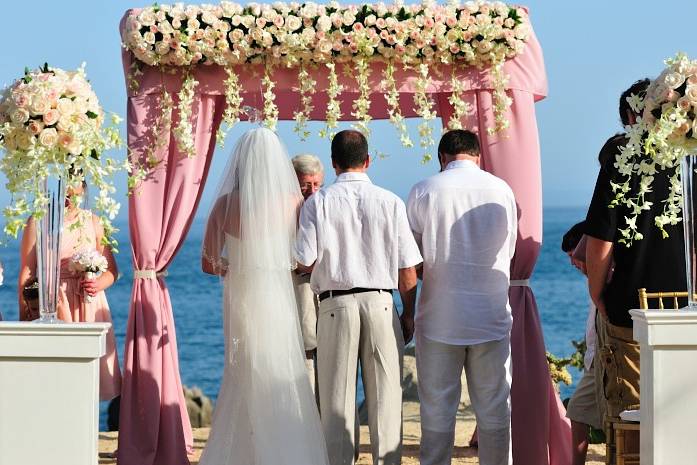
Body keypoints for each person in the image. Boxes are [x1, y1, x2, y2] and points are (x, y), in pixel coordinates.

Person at [200, 128, 329, 465]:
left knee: (242, 373)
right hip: (278, 299)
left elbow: (208, 262)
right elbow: (303, 257)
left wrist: (237, 266)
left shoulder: (225, 205)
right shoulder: (294, 203)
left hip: (241, 299)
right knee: (283, 371)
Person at [295, 129, 422, 465]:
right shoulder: (391, 201)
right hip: (381, 303)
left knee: (337, 402)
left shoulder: (317, 203)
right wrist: (408, 314)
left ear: (334, 163)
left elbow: (305, 260)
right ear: (368, 161)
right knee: (386, 399)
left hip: (336, 306)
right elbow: (408, 269)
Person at [407, 129, 517, 465]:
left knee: (437, 409)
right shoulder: (502, 190)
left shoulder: (424, 190)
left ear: (442, 158)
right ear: (478, 155)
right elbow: (507, 251)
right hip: (491, 313)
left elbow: (412, 259)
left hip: (441, 315)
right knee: (495, 410)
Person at [585, 79, 687, 424]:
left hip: (630, 303)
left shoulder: (620, 155)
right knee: (681, 418)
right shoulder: (689, 157)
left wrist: (597, 292)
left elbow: (601, 239)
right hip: (687, 310)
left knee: (629, 418)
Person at [17, 181, 121, 401]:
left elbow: (112, 271)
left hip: (88, 304)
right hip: (52, 302)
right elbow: (27, 272)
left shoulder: (94, 222)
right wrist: (25, 314)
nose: (69, 198)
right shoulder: (38, 221)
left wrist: (97, 283)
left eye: (74, 193)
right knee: (52, 376)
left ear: (83, 188)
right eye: (65, 193)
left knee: (89, 377)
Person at [561, 222, 604, 465]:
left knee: (577, 410)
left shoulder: (605, 278)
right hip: (594, 359)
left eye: (574, 257)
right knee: (578, 412)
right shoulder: (597, 280)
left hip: (603, 357)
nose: (573, 264)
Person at [291, 153, 324, 393]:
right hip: (299, 294)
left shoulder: (325, 205)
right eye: (305, 185)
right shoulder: (282, 210)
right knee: (305, 356)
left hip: (327, 297)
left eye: (316, 184)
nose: (312, 191)